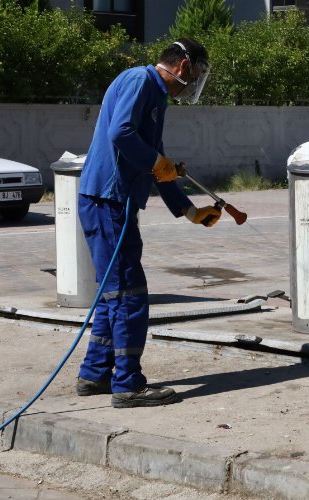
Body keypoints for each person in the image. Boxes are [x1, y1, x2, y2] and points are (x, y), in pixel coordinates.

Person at [75, 38, 220, 408]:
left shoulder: (154, 95)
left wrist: (190, 211)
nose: (196, 82)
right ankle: (128, 385)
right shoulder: (141, 81)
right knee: (129, 294)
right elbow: (120, 133)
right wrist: (157, 162)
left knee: (113, 296)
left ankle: (95, 375)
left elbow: (156, 163)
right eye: (198, 73)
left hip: (111, 203)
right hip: (108, 201)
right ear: (185, 68)